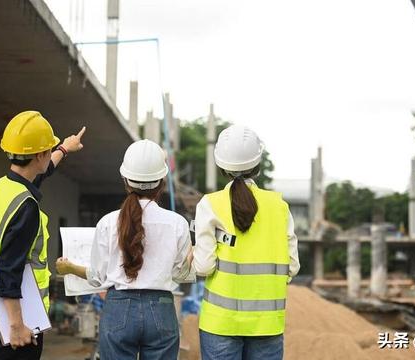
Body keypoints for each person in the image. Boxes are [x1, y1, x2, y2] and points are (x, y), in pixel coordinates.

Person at [56, 139, 193, 360]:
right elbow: (181, 273)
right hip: (162, 309)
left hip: (118, 308)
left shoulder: (108, 222)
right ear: (161, 182)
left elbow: (98, 277)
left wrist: (70, 268)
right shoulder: (178, 223)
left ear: (125, 181)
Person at [0, 111, 85, 359]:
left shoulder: (6, 186)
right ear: (39, 155)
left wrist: (64, 148)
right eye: (48, 149)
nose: (49, 153)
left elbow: (41, 172)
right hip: (21, 314)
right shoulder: (27, 207)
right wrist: (17, 326)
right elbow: (8, 269)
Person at [193, 125, 300, 360]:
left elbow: (203, 267)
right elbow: (292, 267)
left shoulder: (210, 204)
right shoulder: (279, 207)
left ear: (221, 165)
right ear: (258, 164)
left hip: (220, 324)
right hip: (267, 325)